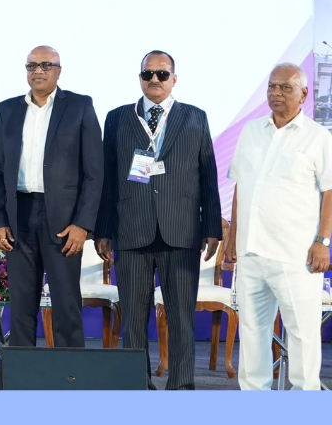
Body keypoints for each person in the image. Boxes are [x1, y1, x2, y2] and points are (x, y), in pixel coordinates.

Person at [94, 51, 221, 390]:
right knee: (133, 320)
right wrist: (103, 228)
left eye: (162, 74)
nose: (154, 79)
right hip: (131, 230)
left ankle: (181, 386)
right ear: (140, 78)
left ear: (174, 79)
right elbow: (108, 177)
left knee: (181, 319)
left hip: (181, 232)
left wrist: (210, 227)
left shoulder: (195, 118)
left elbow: (207, 174)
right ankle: (135, 384)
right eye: (148, 73)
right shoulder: (118, 118)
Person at [0, 46, 102, 349]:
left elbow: (94, 172)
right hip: (18, 218)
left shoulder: (79, 106)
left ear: (59, 71)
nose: (38, 71)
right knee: (22, 306)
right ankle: (19, 383)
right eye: (32, 65)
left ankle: (70, 380)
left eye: (46, 65)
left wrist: (82, 224)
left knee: (66, 304)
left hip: (63, 223)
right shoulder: (7, 109)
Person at [227, 63, 332, 390]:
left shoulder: (318, 137)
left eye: (285, 88)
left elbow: (330, 191)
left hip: (295, 256)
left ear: (303, 94)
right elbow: (240, 186)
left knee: (302, 339)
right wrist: (232, 237)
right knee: (253, 337)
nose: (276, 93)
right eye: (272, 87)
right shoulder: (251, 131)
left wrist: (323, 241)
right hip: (250, 252)